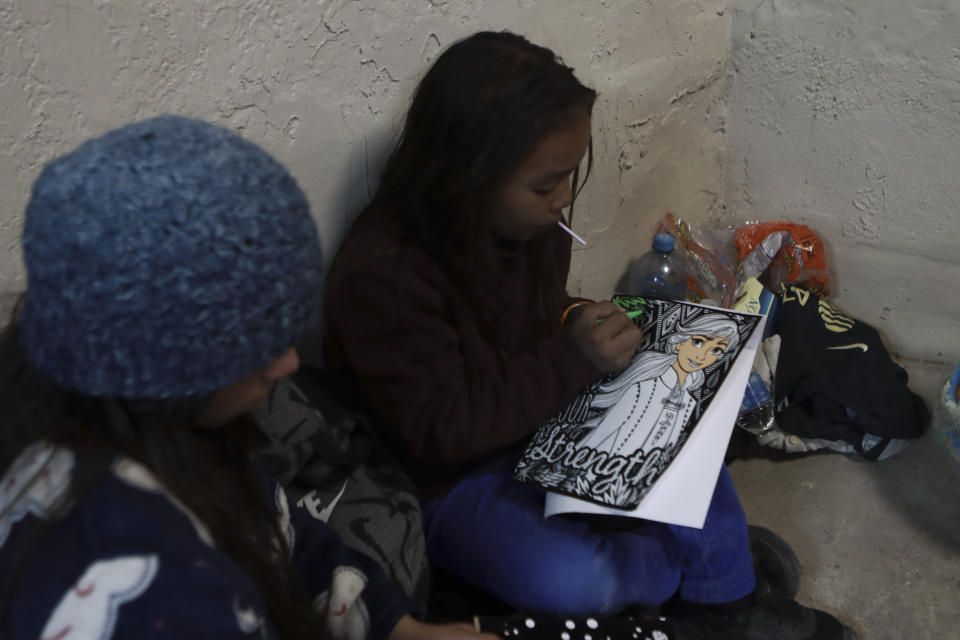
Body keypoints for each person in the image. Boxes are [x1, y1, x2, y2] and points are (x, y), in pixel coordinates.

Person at [324, 31, 856, 639]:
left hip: (536, 425)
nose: (562, 202)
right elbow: (442, 430)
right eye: (546, 184)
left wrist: (579, 320)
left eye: (569, 177)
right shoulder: (384, 278)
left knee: (684, 406)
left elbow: (532, 319)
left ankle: (726, 601)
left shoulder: (524, 225)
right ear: (462, 175)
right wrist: (570, 358)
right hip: (448, 480)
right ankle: (687, 576)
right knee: (574, 582)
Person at [0, 116, 497, 640]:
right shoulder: (139, 593)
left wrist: (398, 628)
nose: (286, 364)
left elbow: (278, 532)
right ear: (173, 360)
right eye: (258, 341)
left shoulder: (129, 408)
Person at [577, 312, 741, 457]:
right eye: (698, 342)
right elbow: (600, 438)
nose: (702, 355)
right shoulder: (645, 388)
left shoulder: (689, 400)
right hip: (604, 470)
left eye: (716, 350)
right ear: (679, 342)